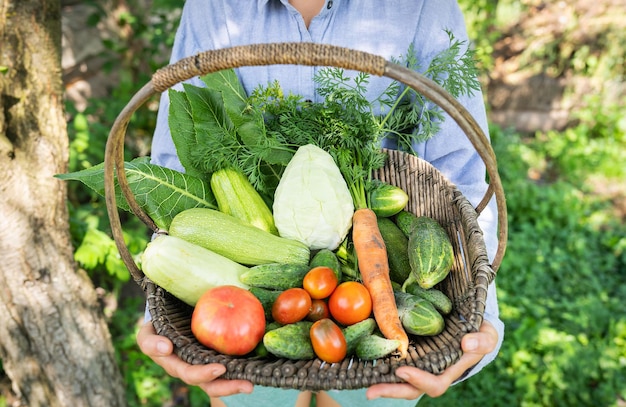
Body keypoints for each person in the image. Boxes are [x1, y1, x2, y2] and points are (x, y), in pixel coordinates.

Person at [138, 0, 504, 406]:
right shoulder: (213, 6)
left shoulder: (424, 7)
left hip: (371, 292)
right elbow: (177, 161)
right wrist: (163, 295)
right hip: (237, 317)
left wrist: (481, 313)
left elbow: (462, 179)